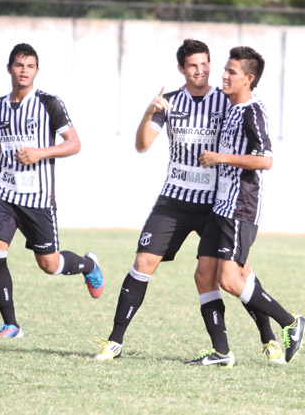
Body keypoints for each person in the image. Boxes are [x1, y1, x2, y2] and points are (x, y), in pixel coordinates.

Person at [94, 39, 280, 364]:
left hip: (215, 205)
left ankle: (269, 338)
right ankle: (115, 341)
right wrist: (149, 111)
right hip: (174, 201)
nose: (201, 70)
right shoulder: (169, 103)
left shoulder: (227, 102)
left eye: (206, 64)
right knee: (142, 263)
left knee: (235, 274)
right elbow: (142, 145)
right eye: (193, 65)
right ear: (181, 68)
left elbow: (252, 134)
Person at [0, 43, 103, 338]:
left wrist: (40, 153)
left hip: (37, 197)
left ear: (36, 71)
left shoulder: (49, 103)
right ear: (9, 69)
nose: (24, 70)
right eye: (19, 65)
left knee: (49, 265)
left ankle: (89, 264)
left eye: (29, 66)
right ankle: (11, 324)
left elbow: (74, 143)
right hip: (3, 193)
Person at [187, 46, 305, 366]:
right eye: (224, 70)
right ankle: (221, 352)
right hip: (220, 206)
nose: (224, 76)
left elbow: (265, 160)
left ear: (248, 79)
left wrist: (221, 157)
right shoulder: (230, 108)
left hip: (241, 206)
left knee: (230, 280)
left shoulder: (253, 111)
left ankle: (291, 323)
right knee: (204, 274)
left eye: (232, 73)